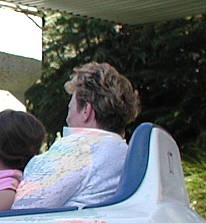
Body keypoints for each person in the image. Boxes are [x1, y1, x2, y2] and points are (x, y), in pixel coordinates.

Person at [12, 62, 140, 210]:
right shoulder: (125, 153)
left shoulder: (79, 148)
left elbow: (21, 207)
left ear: (86, 110)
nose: (67, 119)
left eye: (69, 108)